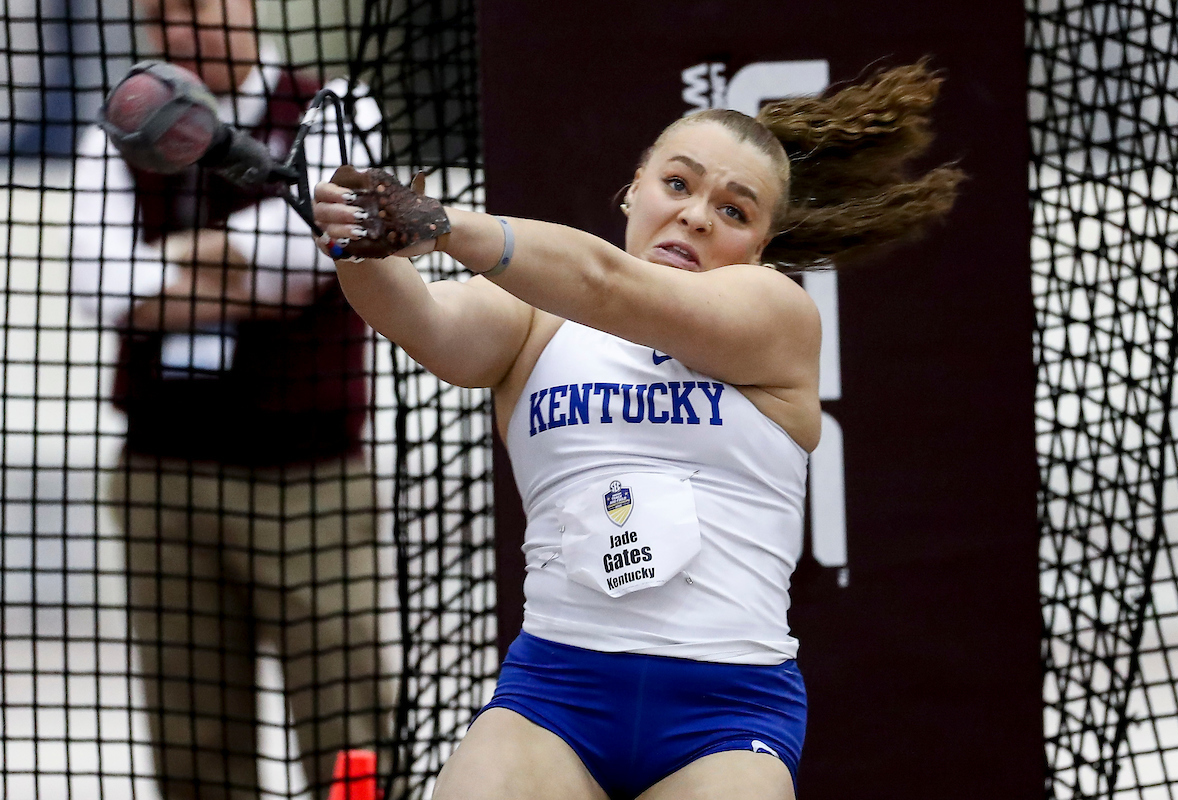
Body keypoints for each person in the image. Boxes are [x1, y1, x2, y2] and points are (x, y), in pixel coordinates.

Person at [313, 61, 963, 800]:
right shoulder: (534, 321)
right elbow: (421, 319)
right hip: (553, 698)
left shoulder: (776, 316)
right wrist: (350, 235)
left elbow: (607, 284)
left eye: (735, 211)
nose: (695, 216)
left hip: (725, 714)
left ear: (758, 247)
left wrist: (439, 224)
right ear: (634, 186)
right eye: (678, 185)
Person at [69, 0, 398, 797]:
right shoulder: (120, 127)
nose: (177, 32)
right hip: (161, 476)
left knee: (346, 725)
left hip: (306, 478)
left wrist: (171, 262)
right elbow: (99, 285)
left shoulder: (335, 107)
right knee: (192, 738)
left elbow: (314, 256)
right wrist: (250, 272)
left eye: (195, 6)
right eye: (158, 14)